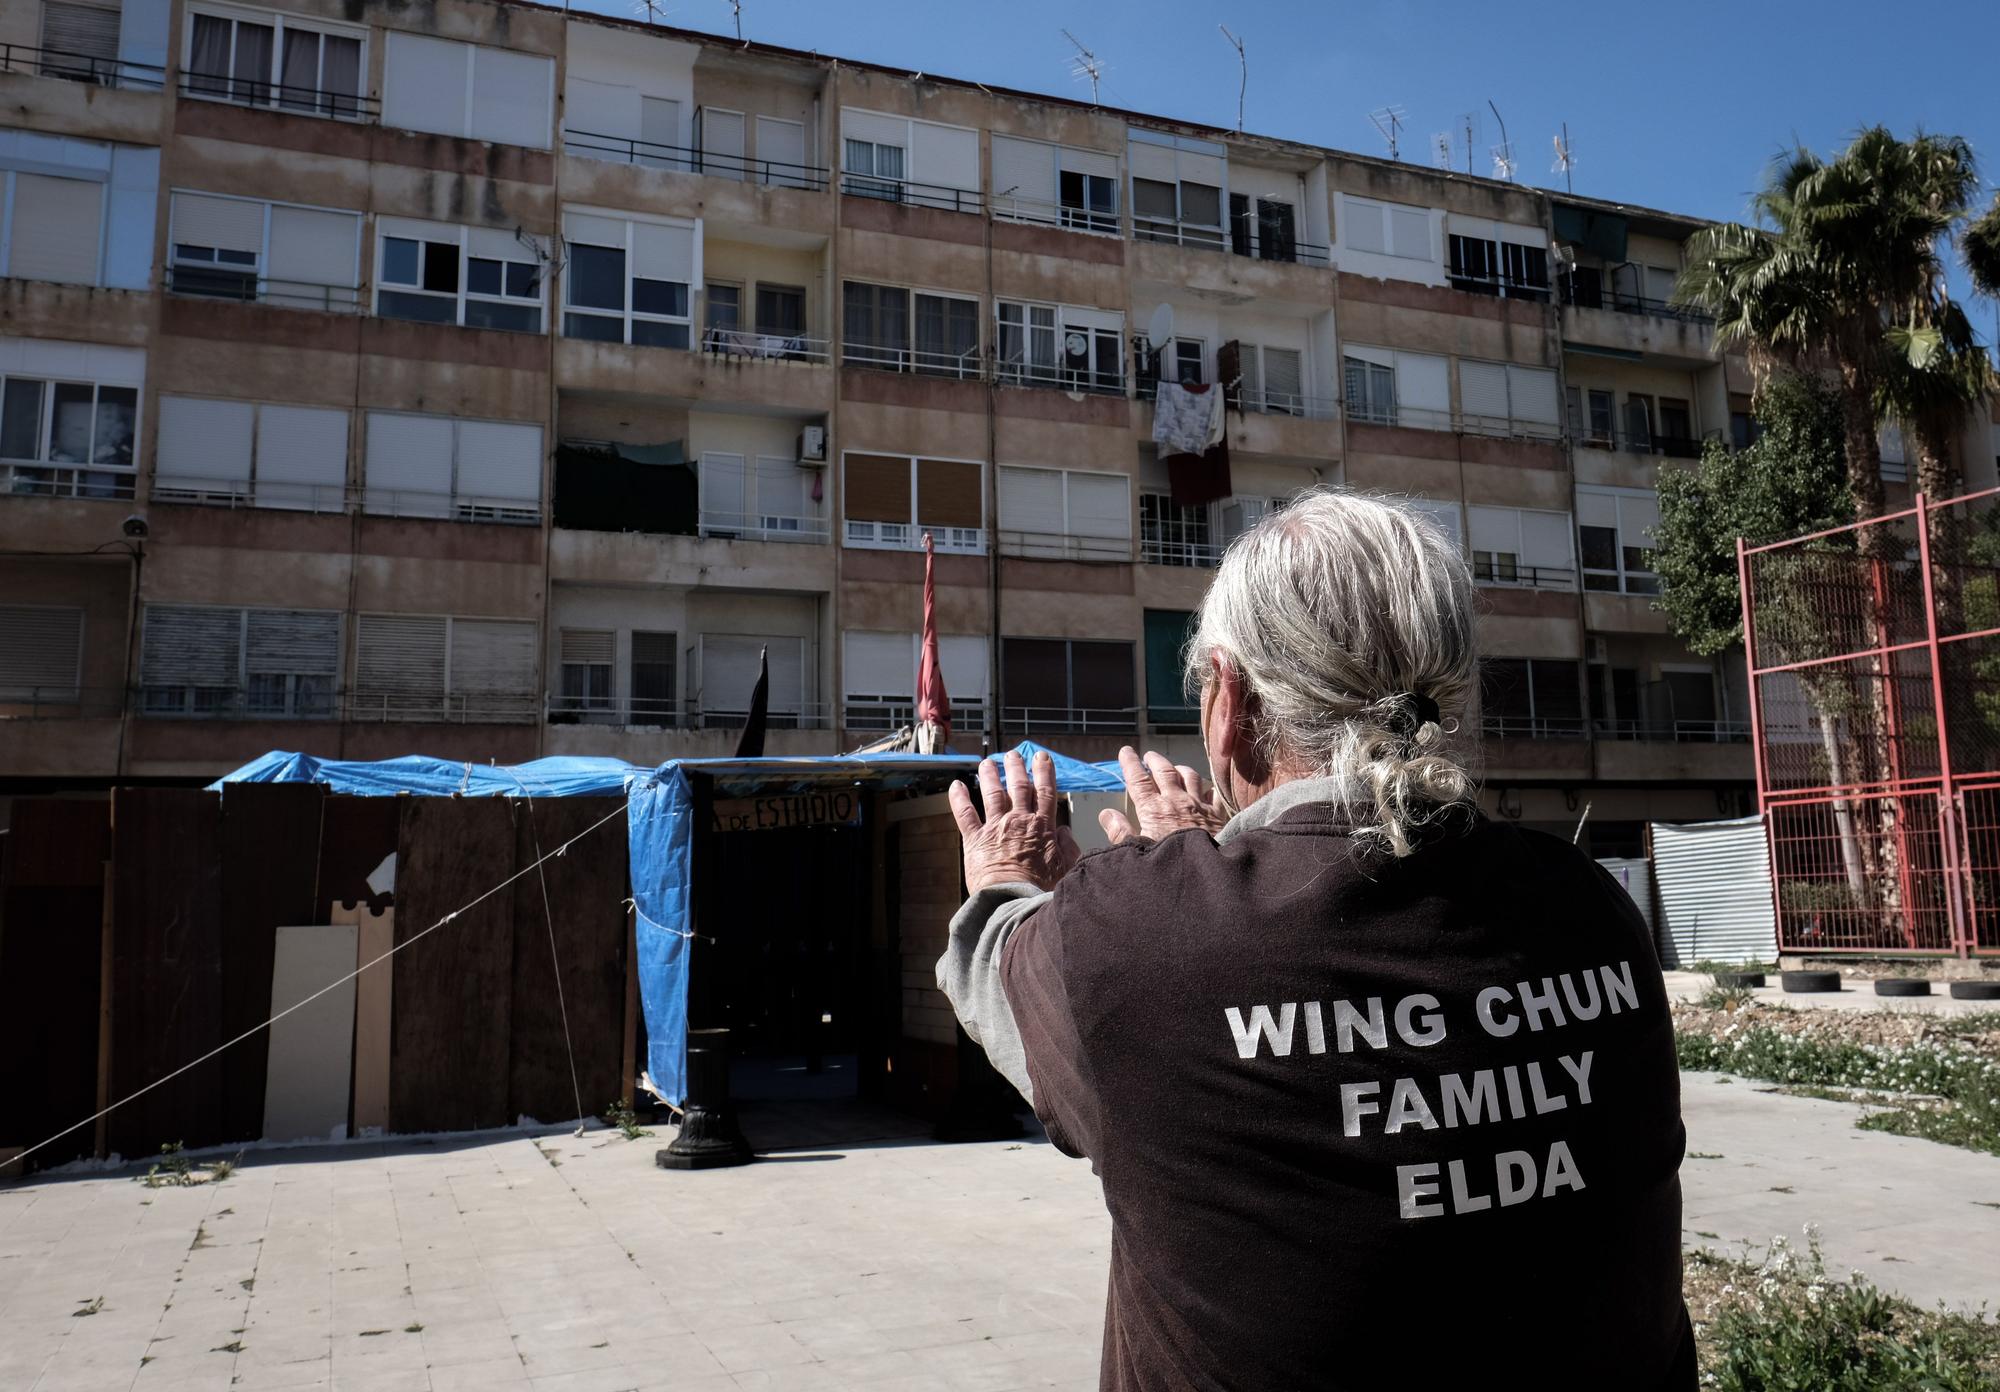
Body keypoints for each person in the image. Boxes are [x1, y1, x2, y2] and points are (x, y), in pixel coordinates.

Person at [938, 490, 1691, 1391]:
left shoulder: (1142, 939)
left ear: (1230, 701)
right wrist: (1187, 882)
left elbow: (996, 962)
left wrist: (1037, 875)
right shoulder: (1591, 908)